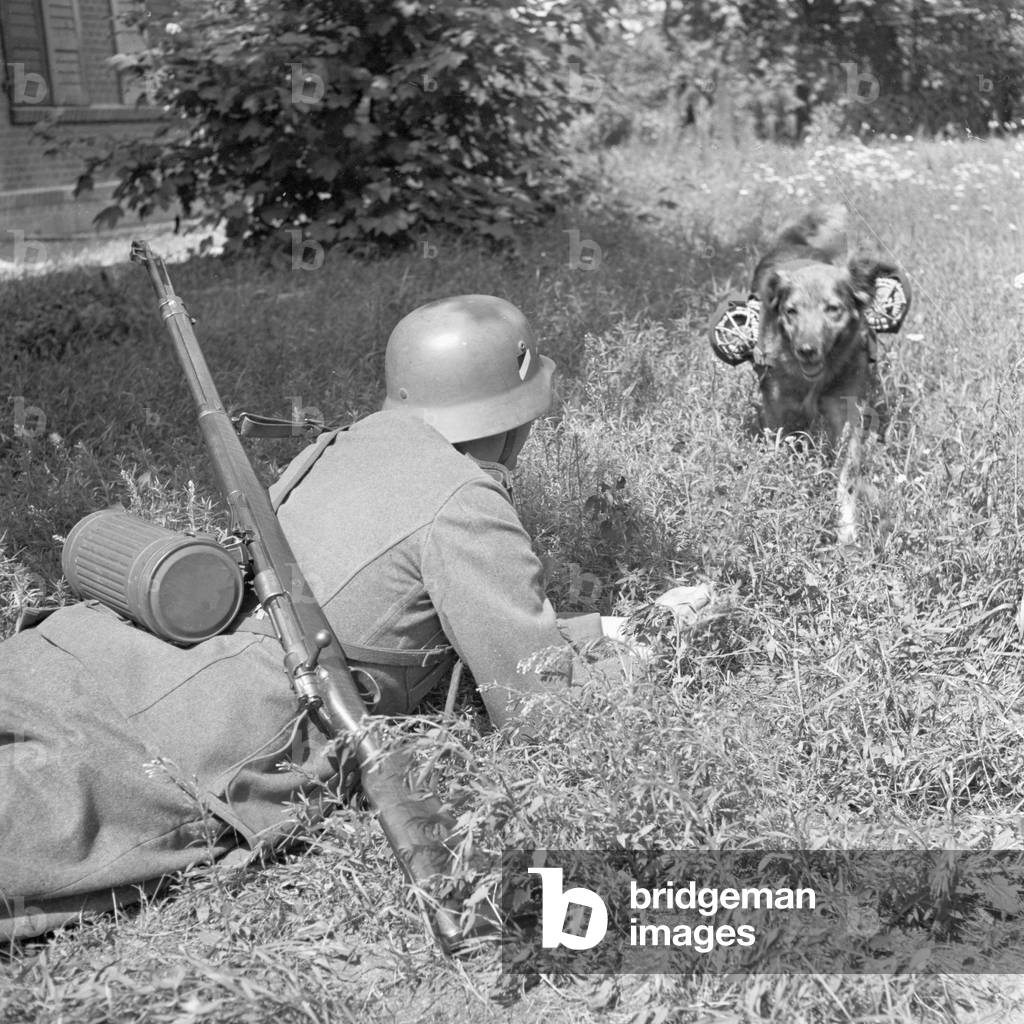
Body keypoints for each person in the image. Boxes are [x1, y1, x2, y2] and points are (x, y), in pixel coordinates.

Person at [0, 294, 577, 939]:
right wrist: (638, 651)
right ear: (518, 406)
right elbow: (540, 709)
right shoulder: (467, 497)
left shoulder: (346, 442)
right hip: (198, 736)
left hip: (96, 654)